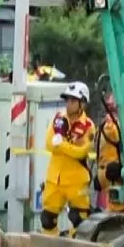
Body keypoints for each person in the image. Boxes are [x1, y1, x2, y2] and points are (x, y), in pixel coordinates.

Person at [41, 81, 95, 236]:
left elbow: (82, 152)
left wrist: (62, 145)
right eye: (67, 100)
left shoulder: (89, 126)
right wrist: (66, 147)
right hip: (55, 178)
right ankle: (51, 246)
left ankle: (75, 246)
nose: (68, 104)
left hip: (76, 180)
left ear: (82, 103)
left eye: (73, 101)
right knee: (47, 218)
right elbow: (49, 145)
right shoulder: (58, 120)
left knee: (79, 218)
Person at [94, 93, 124, 212]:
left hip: (110, 173)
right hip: (111, 174)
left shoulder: (105, 127)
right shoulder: (108, 127)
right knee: (117, 208)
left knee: (117, 207)